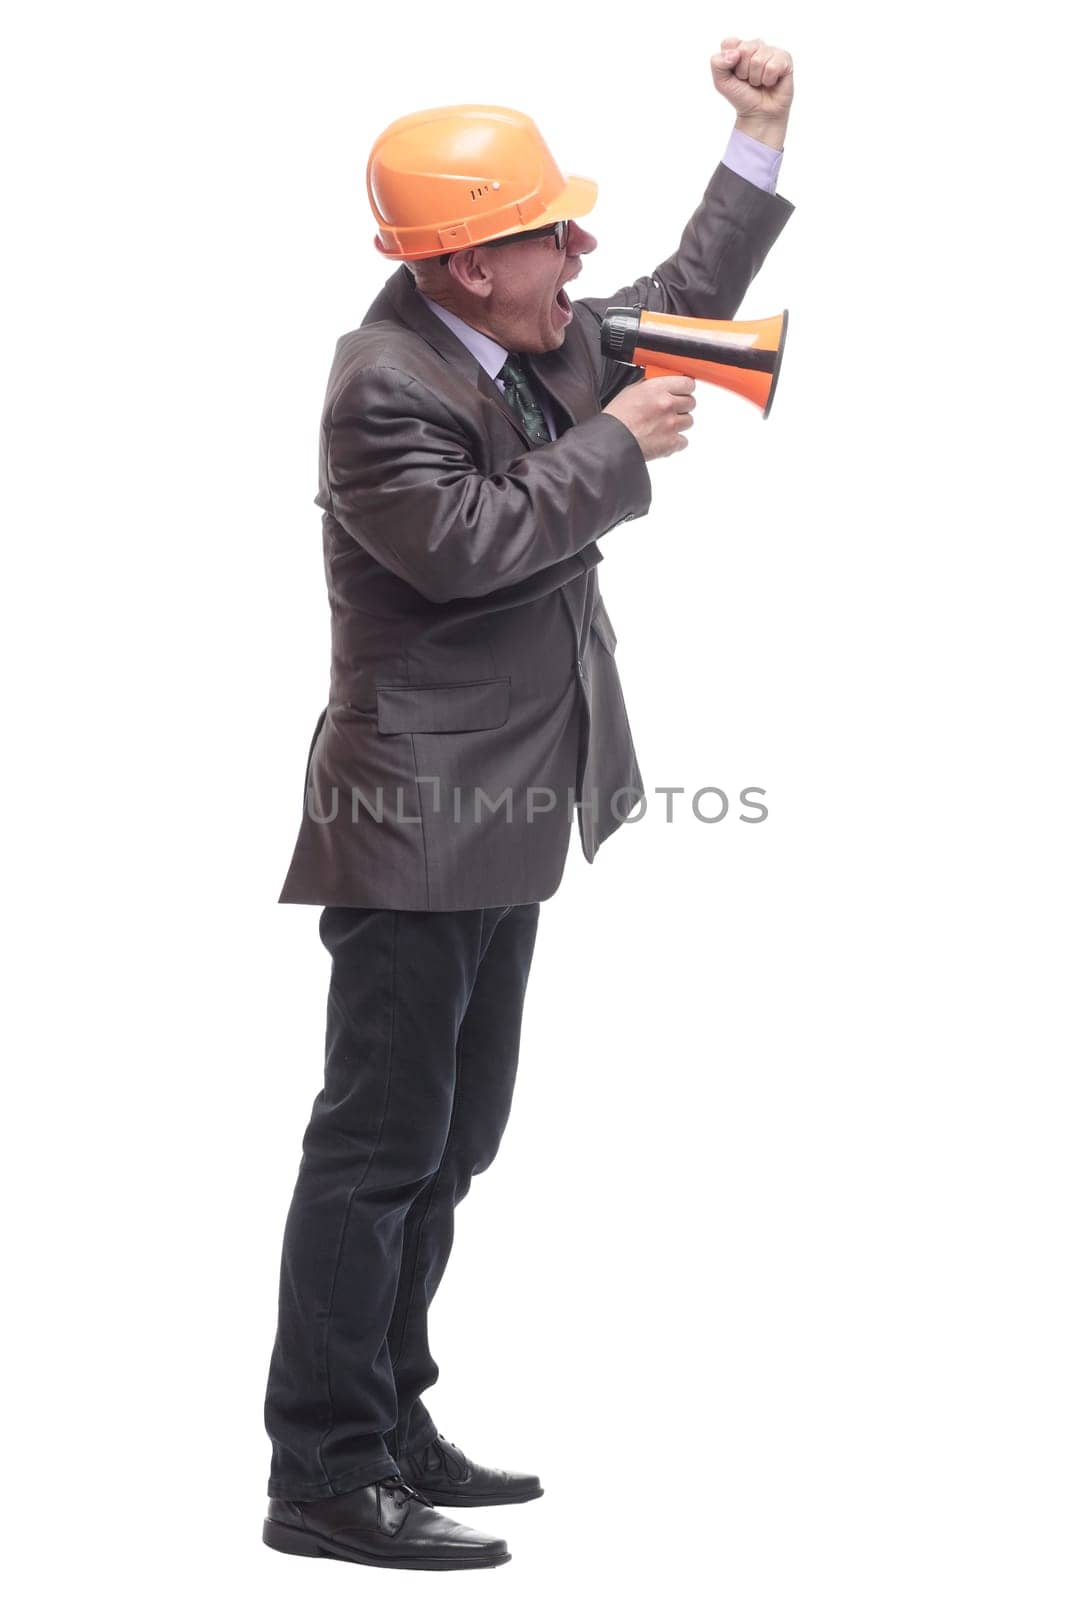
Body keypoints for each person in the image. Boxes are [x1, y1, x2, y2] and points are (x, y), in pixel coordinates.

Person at [262, 36, 796, 1572]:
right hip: (414, 813)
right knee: (377, 1148)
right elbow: (462, 544)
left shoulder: (532, 333)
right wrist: (622, 449)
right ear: (458, 260)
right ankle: (322, 1470)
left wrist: (759, 137)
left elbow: (681, 294)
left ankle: (392, 1411)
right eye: (548, 232)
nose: (580, 250)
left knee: (454, 1140)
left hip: (501, 806)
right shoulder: (380, 382)